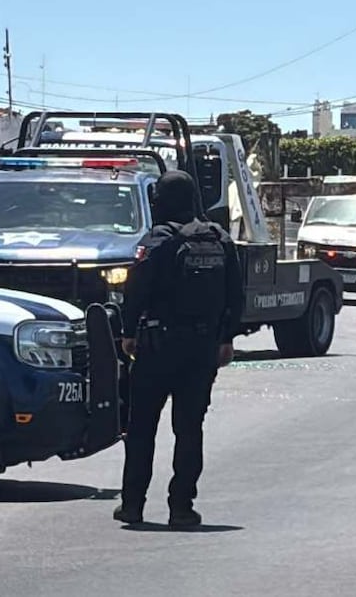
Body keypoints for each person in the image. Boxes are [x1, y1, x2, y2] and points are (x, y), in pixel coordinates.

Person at [115, 170, 244, 528]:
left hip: (157, 347)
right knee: (189, 429)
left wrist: (128, 332)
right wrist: (225, 339)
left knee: (141, 428)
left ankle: (133, 505)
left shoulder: (158, 239)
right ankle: (182, 507)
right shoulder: (219, 239)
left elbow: (135, 289)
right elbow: (236, 294)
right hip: (202, 348)